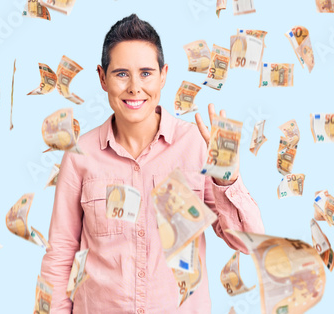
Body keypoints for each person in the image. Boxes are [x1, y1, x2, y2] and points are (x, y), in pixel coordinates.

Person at [40, 14, 265, 314]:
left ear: (163, 74)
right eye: (121, 74)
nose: (135, 87)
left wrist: (228, 180)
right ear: (102, 78)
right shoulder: (79, 154)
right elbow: (60, 256)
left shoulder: (197, 145)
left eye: (146, 73)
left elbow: (247, 243)